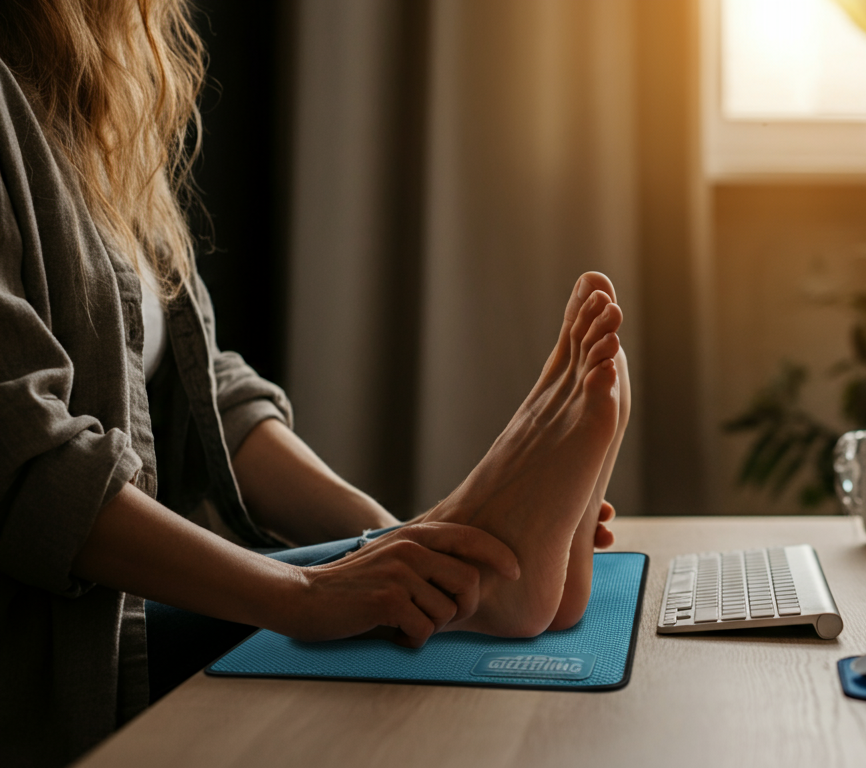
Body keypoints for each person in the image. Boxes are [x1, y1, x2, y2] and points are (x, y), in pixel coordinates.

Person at [0, 2, 631, 765]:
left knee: (403, 585)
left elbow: (207, 398)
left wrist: (409, 549)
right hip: (38, 668)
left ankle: (478, 569)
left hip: (114, 616)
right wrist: (304, 596)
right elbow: (31, 469)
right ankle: (489, 571)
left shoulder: (97, 88)